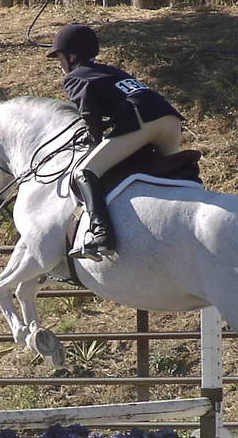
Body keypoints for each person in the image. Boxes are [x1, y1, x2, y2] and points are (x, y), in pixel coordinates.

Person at [47, 23, 185, 261]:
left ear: (72, 56)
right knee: (168, 174)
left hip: (142, 121)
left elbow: (89, 114)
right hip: (170, 122)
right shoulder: (111, 71)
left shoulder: (75, 77)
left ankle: (101, 235)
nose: (60, 65)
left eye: (60, 58)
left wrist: (94, 140)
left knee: (84, 171)